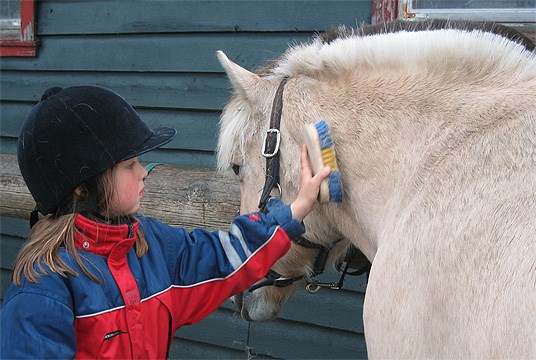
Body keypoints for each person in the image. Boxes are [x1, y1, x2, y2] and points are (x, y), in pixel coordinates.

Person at [0, 85, 330, 358]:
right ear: (83, 187)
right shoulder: (43, 289)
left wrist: (297, 207)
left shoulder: (152, 246)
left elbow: (222, 258)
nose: (144, 172)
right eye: (130, 164)